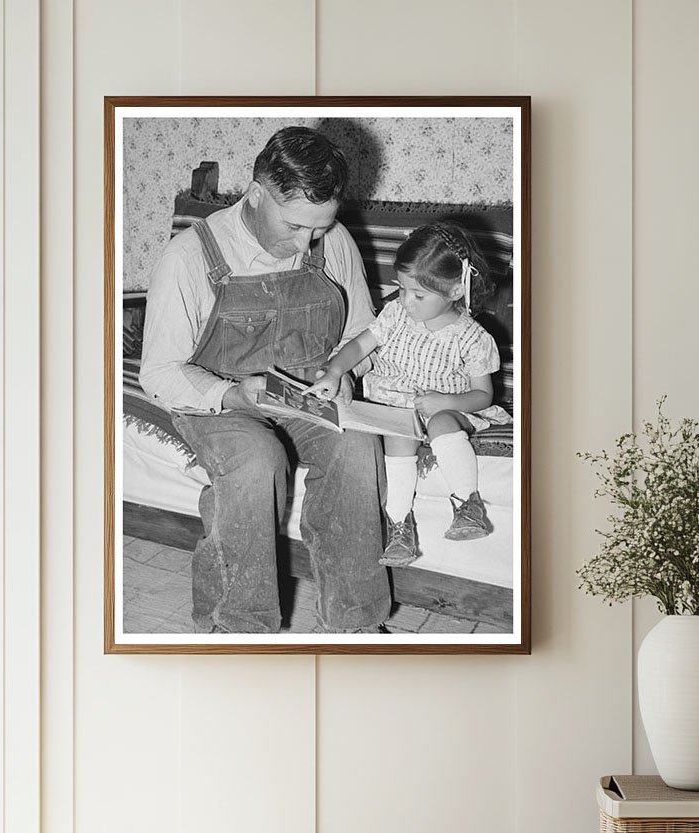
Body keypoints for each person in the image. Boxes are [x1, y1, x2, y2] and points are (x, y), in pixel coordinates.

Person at [139, 127, 391, 633]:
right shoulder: (189, 256)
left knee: (358, 448)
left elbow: (364, 330)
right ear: (256, 193)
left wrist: (345, 370)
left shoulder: (332, 240)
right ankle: (240, 626)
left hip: (307, 391)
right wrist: (231, 392)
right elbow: (160, 371)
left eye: (318, 229)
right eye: (295, 225)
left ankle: (356, 624)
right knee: (256, 461)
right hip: (217, 396)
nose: (306, 243)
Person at [305, 221, 509, 567]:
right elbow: (359, 345)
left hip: (451, 409)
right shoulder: (395, 315)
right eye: (401, 289)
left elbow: (482, 396)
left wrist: (446, 402)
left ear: (456, 291)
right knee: (399, 436)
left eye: (418, 295)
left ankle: (466, 505)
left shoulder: (472, 338)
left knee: (443, 422)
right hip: (399, 410)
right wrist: (336, 370)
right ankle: (399, 526)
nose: (406, 301)